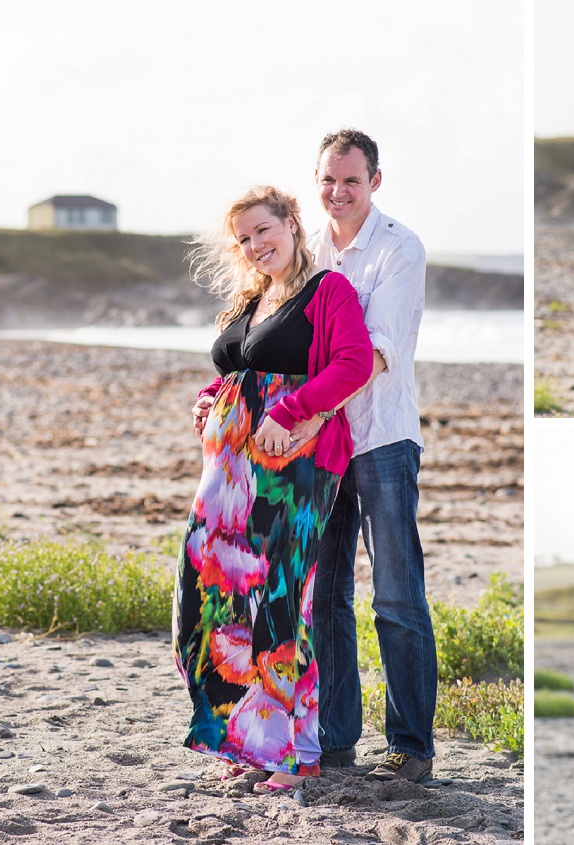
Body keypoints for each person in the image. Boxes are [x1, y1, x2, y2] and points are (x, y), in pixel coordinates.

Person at [173, 186, 375, 791]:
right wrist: (212, 401)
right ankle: (247, 736)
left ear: (292, 224)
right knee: (210, 593)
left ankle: (296, 752)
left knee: (285, 598)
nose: (256, 245)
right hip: (228, 470)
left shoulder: (327, 290)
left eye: (265, 230)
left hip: (297, 464)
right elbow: (238, 372)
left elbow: (353, 363)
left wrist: (289, 413)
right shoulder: (253, 298)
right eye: (244, 239)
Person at [293, 128, 437, 782]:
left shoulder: (398, 248)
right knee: (325, 596)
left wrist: (311, 407)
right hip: (320, 448)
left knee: (397, 597)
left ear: (374, 181)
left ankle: (411, 748)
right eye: (328, 178)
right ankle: (335, 737)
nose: (337, 191)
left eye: (351, 180)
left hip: (380, 438)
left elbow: (375, 354)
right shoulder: (308, 250)